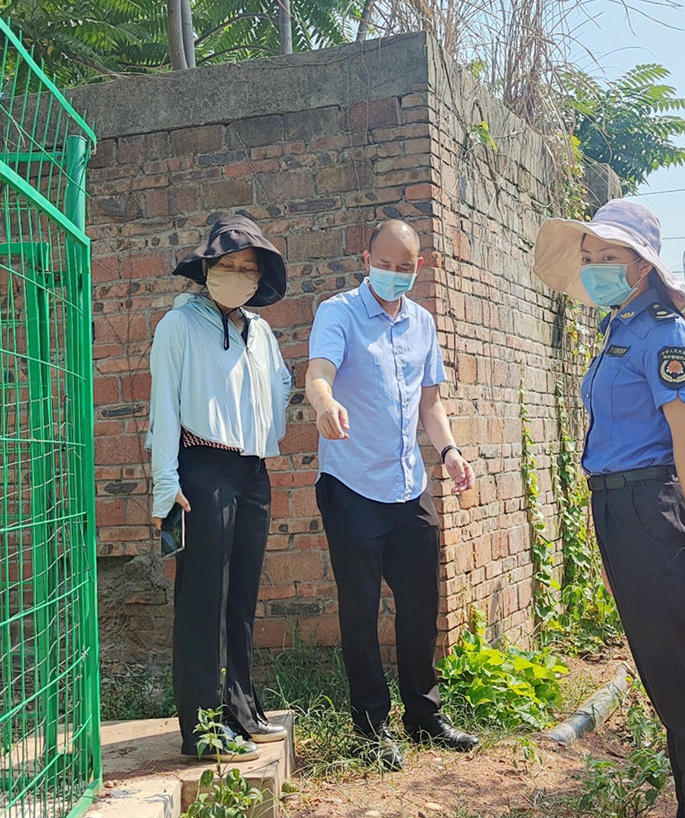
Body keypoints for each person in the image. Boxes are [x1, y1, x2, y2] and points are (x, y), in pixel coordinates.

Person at [533, 198, 685, 818]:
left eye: (608, 257)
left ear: (644, 266)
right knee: (666, 683)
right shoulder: (619, 333)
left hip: (655, 512)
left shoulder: (665, 336)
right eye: (588, 256)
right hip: (625, 513)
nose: (595, 268)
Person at [303, 218, 481, 770]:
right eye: (387, 265)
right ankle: (371, 728)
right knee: (360, 612)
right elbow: (318, 373)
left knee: (421, 605)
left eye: (406, 268)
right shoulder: (338, 313)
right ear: (366, 258)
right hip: (352, 485)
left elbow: (431, 404)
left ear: (418, 268)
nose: (396, 275)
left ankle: (423, 716)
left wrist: (449, 452)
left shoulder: (423, 323)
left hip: (409, 487)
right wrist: (324, 404)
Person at [149, 214, 294, 761]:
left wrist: (268, 433)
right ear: (206, 268)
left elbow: (280, 384)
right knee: (203, 599)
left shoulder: (260, 332)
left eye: (247, 268)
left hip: (252, 470)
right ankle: (203, 728)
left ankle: (241, 708)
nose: (236, 274)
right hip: (201, 469)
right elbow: (162, 406)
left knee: (241, 598)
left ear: (260, 278)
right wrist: (167, 483)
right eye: (226, 264)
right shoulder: (178, 326)